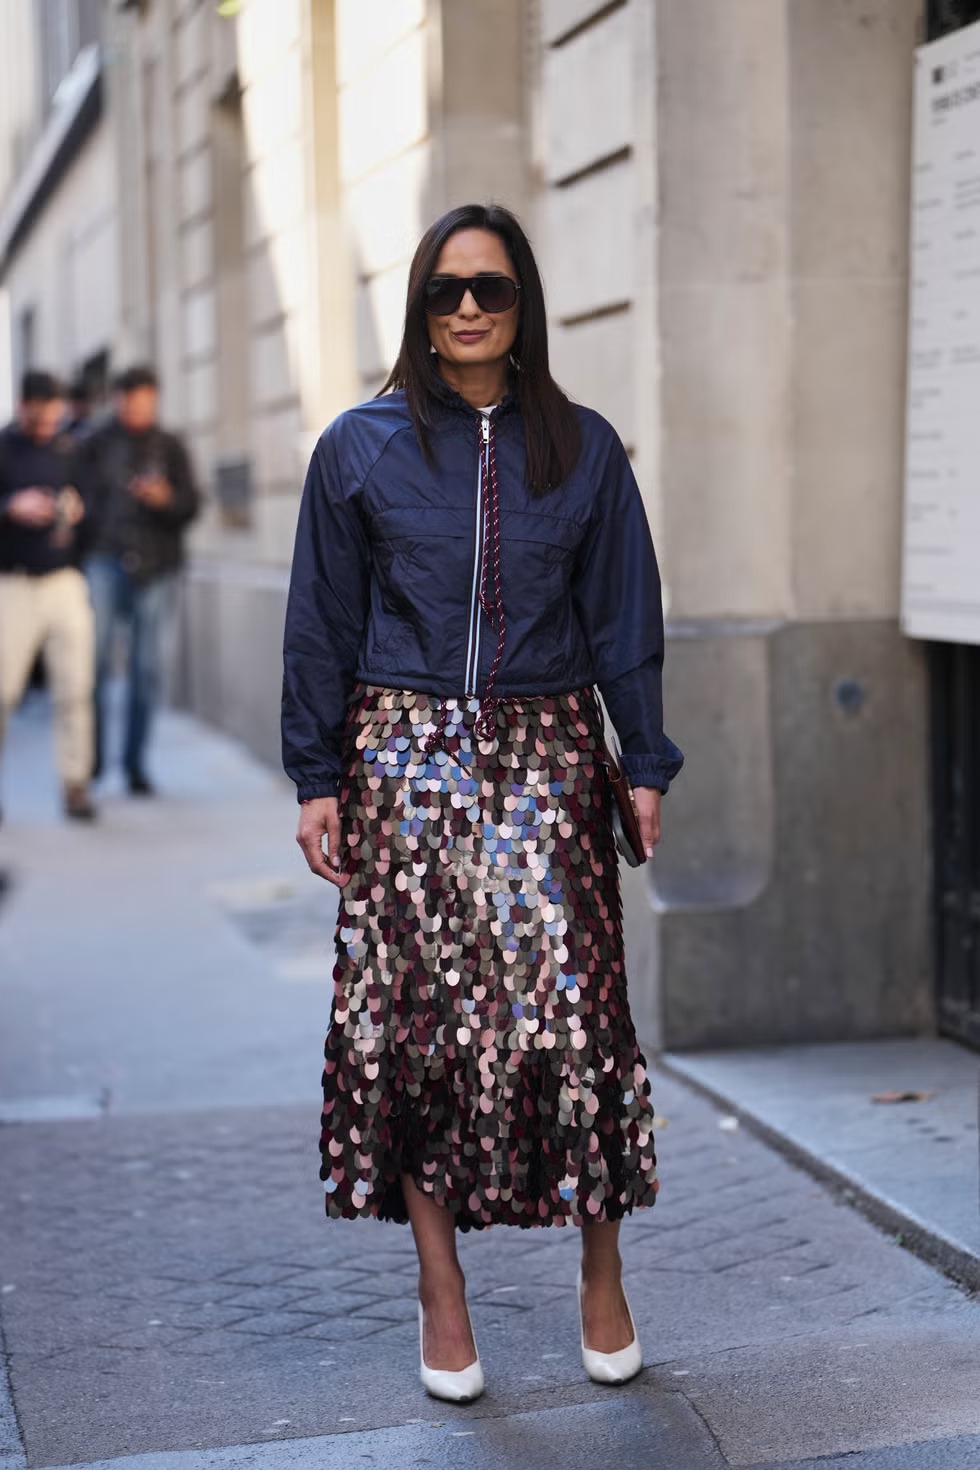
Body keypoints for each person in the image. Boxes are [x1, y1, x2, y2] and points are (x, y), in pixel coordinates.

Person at [282, 203, 683, 1403]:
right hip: (402, 757)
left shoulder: (584, 447)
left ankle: (601, 1276)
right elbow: (318, 624)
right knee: (418, 1035)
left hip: (550, 750)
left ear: (522, 308)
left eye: (490, 289)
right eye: (445, 291)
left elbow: (624, 614)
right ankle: (440, 1290)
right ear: (419, 308)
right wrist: (315, 778)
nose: (466, 308)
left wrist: (643, 758)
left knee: (577, 1020)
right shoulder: (356, 447)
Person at [74, 366, 199, 795]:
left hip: (155, 567)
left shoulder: (170, 445)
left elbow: (191, 504)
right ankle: (90, 761)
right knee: (92, 665)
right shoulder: (93, 444)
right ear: (119, 400)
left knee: (146, 670)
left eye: (147, 402)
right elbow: (77, 502)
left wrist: (166, 499)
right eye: (133, 402)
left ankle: (134, 764)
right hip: (104, 561)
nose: (140, 410)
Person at [0, 370, 96, 821]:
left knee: (75, 688)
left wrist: (77, 510)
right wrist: (11, 507)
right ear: (23, 407)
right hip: (13, 583)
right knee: (3, 692)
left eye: (53, 418)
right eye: (40, 418)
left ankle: (75, 785)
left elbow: (95, 506)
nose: (47, 427)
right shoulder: (4, 447)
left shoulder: (70, 449)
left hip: (64, 580)